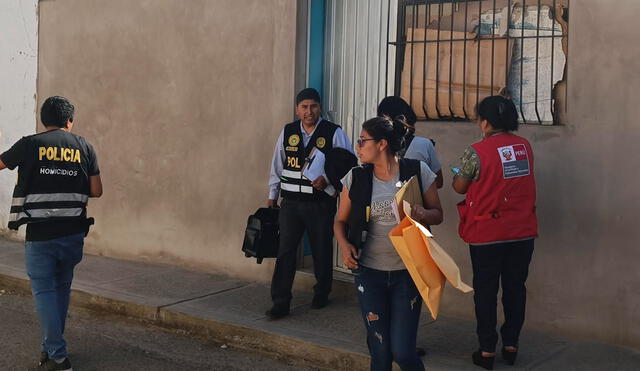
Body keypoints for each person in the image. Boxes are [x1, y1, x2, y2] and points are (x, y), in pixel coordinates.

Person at [0, 96, 102, 371]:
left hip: (41, 234)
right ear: (70, 121)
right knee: (61, 289)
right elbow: (96, 190)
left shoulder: (29, 144)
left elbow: (0, 163)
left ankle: (58, 355)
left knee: (44, 291)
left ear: (44, 120)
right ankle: (49, 347)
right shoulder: (85, 147)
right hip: (73, 233)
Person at [334, 116, 443, 371]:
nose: (357, 146)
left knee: (404, 353)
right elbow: (340, 221)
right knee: (380, 352)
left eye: (363, 141)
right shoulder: (356, 177)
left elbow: (438, 214)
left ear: (382, 144)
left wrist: (422, 214)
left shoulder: (417, 171)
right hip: (369, 273)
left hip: (408, 274)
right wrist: (344, 244)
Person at [452, 96, 537, 370]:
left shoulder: (475, 152)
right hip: (522, 231)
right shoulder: (525, 147)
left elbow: (460, 187)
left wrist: (458, 174)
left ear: (485, 122)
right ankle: (511, 344)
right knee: (515, 288)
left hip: (487, 233)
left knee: (486, 292)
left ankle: (487, 349)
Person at [266, 88, 352, 319]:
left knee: (321, 249)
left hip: (319, 204)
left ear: (320, 107)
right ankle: (280, 300)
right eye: (304, 107)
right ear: (297, 109)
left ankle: (322, 291)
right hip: (291, 204)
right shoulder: (288, 132)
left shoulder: (333, 132)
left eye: (313, 106)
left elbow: (348, 165)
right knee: (285, 251)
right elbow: (277, 164)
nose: (309, 111)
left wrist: (329, 181)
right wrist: (272, 195)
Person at [377, 96, 443, 188]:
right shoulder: (424, 145)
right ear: (409, 115)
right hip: (416, 201)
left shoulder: (376, 147)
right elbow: (438, 183)